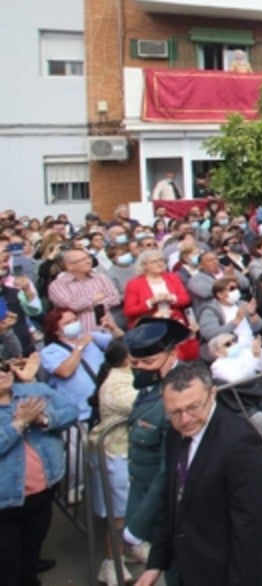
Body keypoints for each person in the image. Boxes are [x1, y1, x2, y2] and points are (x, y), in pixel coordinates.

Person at [132, 362, 262, 586]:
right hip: (191, 567)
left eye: (193, 407)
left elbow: (248, 526)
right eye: (175, 411)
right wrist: (156, 563)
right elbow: (173, 502)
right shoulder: (175, 432)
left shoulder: (241, 443)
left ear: (212, 394)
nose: (185, 420)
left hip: (227, 571)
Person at [0, 359, 79, 586]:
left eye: (3, 367)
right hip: (5, 504)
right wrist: (19, 424)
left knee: (32, 547)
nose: (3, 373)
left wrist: (45, 419)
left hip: (42, 492)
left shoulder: (35, 392)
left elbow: (71, 410)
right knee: (7, 561)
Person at [121, 318, 193, 569]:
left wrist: (139, 523)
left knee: (180, 570)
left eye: (148, 362)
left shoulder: (180, 395)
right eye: (134, 363)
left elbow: (171, 469)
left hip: (174, 508)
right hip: (148, 497)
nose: (140, 368)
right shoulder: (152, 386)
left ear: (171, 354)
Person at [87, 339, 139, 586]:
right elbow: (139, 405)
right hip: (114, 453)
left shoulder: (128, 375)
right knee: (118, 514)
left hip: (127, 451)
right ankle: (111, 562)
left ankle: (129, 548)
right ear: (127, 357)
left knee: (130, 508)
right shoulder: (117, 384)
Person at [48, 247, 122, 336]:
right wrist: (93, 298)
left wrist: (88, 306)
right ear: (69, 266)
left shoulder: (100, 277)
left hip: (107, 329)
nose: (88, 261)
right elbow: (71, 306)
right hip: (81, 336)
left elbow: (115, 298)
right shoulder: (58, 285)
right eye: (82, 260)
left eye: (88, 257)